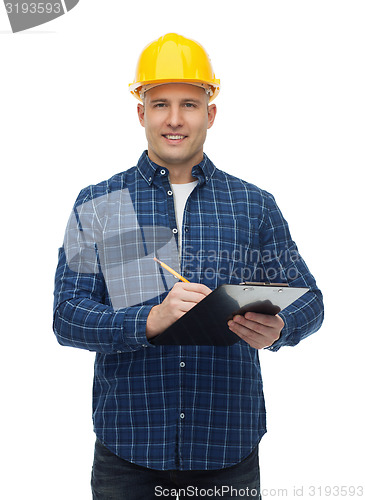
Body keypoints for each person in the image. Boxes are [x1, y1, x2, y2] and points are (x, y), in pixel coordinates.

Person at [53, 33, 324, 499]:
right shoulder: (98, 204)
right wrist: (151, 319)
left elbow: (309, 300)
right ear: (140, 112)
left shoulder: (253, 205)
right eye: (159, 104)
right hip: (128, 451)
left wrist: (281, 328)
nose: (174, 119)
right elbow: (67, 315)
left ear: (210, 113)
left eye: (189, 104)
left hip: (226, 450)